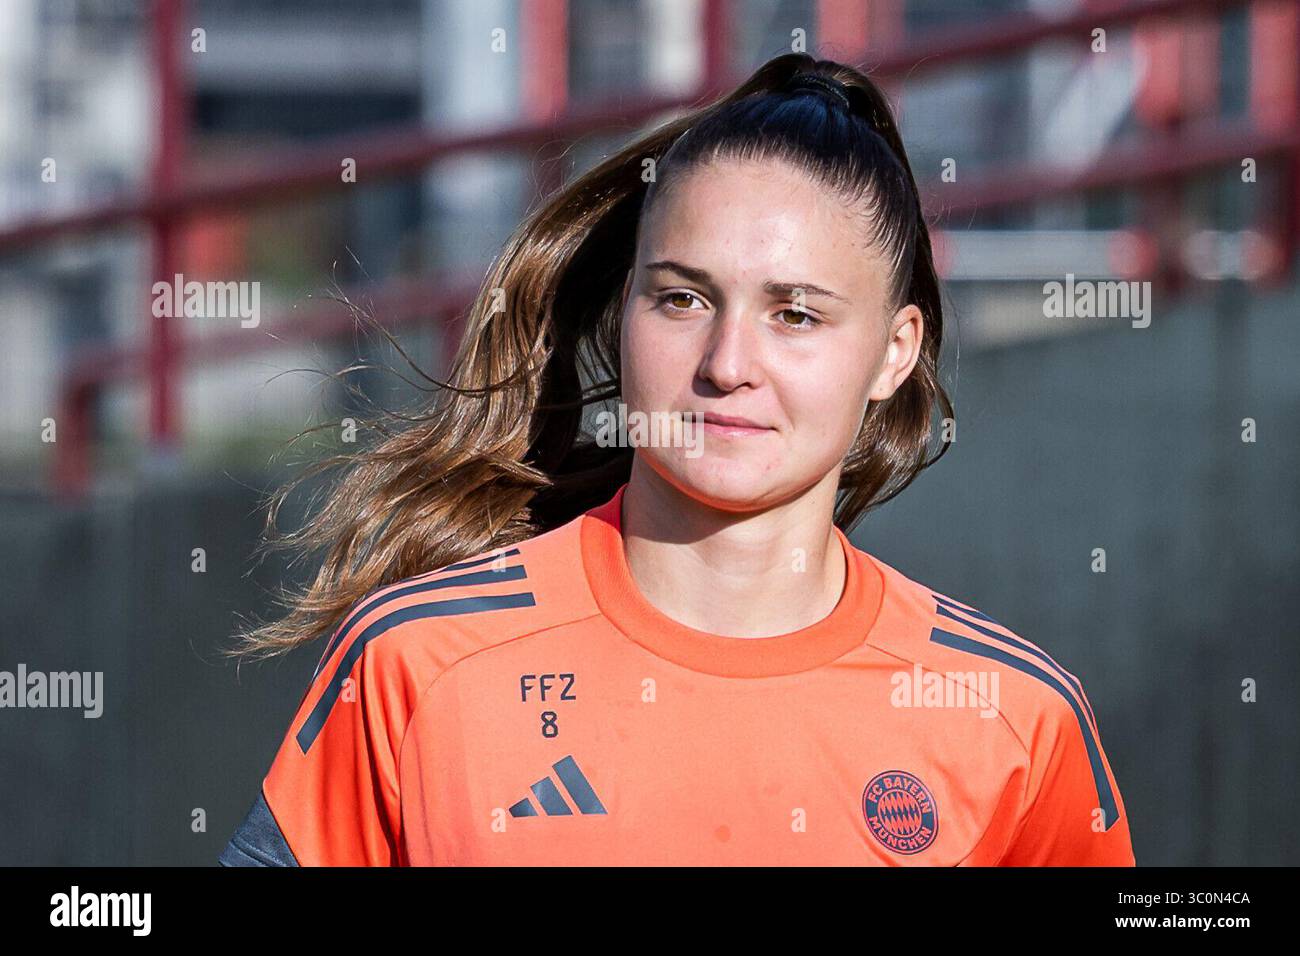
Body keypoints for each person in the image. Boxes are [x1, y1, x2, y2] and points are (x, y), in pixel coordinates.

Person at [219, 52, 1135, 866]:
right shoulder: (415, 660)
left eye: (797, 315)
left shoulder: (1012, 717)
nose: (728, 366)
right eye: (684, 300)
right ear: (625, 308)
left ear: (895, 352)